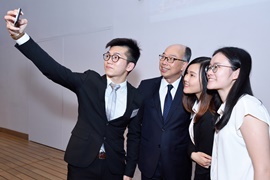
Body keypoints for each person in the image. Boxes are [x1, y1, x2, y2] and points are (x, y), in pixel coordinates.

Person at [5, 9, 143, 180]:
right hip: (82, 162)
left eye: (116, 57)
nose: (108, 60)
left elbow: (134, 137)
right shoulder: (89, 81)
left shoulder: (137, 97)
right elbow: (53, 70)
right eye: (107, 55)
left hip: (113, 166)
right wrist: (21, 37)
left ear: (130, 66)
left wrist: (129, 171)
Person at [205, 47, 270, 180]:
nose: (209, 72)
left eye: (216, 67)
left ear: (236, 73)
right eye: (209, 67)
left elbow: (264, 169)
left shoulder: (247, 106)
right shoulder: (225, 110)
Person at [138, 44, 192, 180]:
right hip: (149, 164)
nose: (164, 62)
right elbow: (135, 126)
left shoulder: (191, 91)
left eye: (171, 59)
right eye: (163, 57)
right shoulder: (146, 86)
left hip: (178, 166)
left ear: (184, 65)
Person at [182, 57, 221, 180]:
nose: (185, 79)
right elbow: (191, 142)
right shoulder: (196, 108)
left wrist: (193, 153)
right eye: (186, 74)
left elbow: (205, 163)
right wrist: (192, 153)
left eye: (192, 75)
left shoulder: (209, 115)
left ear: (206, 80)